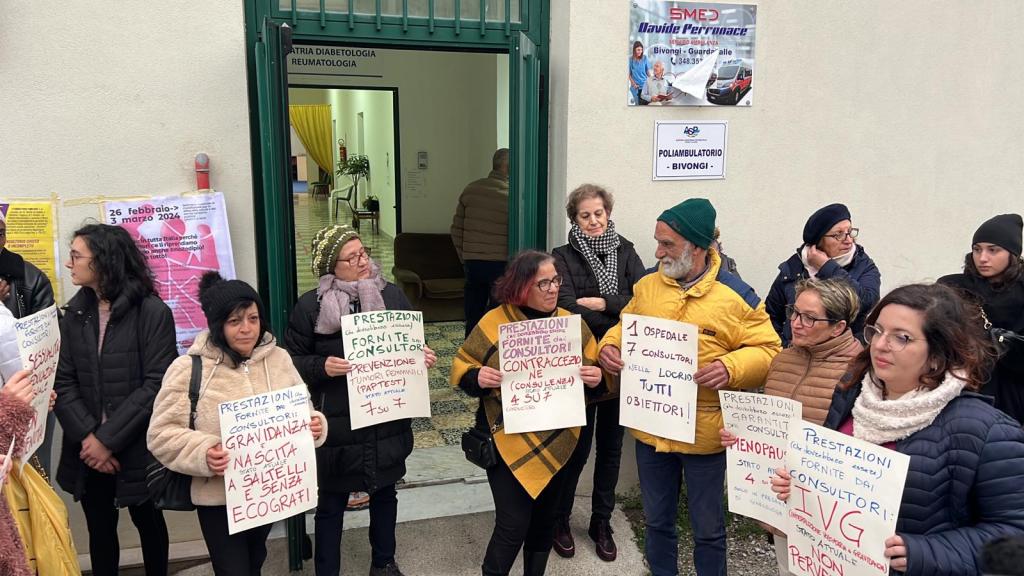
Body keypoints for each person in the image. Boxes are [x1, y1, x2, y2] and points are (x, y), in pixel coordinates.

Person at [770, 283, 1024, 576]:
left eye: (902, 338)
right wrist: (801, 484)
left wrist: (926, 552)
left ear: (937, 353)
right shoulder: (851, 395)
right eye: (877, 331)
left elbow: (1014, 536)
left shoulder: (986, 431)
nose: (880, 345)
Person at [598, 198, 781, 576]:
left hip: (705, 435)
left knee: (708, 530)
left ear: (697, 246)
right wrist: (609, 346)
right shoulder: (648, 285)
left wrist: (731, 367)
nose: (658, 252)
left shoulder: (737, 296)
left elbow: (769, 350)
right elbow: (625, 325)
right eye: (658, 242)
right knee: (657, 522)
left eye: (667, 244)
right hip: (652, 428)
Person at [148, 272, 326, 575]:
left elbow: (303, 408)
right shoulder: (188, 369)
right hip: (218, 499)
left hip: (267, 493)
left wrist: (314, 425)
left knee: (255, 562)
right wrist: (204, 452)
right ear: (218, 325)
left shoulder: (280, 359)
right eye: (235, 321)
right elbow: (161, 435)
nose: (246, 329)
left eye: (253, 319)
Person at [285, 224, 437, 576]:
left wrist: (422, 354)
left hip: (386, 416)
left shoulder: (392, 296)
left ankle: (384, 562)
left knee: (385, 494)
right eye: (351, 258)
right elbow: (290, 362)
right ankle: (327, 570)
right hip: (338, 423)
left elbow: (412, 343)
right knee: (331, 503)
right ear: (331, 266)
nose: (362, 261)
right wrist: (322, 366)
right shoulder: (311, 306)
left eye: (363, 252)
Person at [450, 250, 603, 576]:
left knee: (545, 521)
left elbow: (598, 377)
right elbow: (462, 366)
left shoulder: (571, 325)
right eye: (543, 283)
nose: (553, 288)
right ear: (521, 287)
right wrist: (476, 377)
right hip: (506, 438)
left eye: (556, 280)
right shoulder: (495, 322)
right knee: (513, 524)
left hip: (560, 439)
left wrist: (597, 378)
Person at [54, 223, 176, 576]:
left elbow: (158, 384)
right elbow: (64, 382)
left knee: (149, 524)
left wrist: (107, 440)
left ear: (103, 261)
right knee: (100, 530)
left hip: (138, 445)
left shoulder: (152, 312)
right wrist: (89, 439)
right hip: (88, 450)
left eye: (76, 256)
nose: (69, 263)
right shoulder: (76, 314)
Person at [720, 277, 862, 575]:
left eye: (809, 318)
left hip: (830, 516)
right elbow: (767, 426)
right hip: (781, 502)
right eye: (794, 312)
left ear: (838, 327)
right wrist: (742, 438)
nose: (796, 323)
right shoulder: (783, 359)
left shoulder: (860, 371)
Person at [549, 184, 645, 562]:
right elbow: (566, 307)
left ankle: (601, 522)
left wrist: (605, 302)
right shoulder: (561, 257)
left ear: (608, 214)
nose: (593, 221)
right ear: (574, 219)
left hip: (621, 366)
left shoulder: (627, 251)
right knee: (575, 449)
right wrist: (615, 324)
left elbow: (643, 301)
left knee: (611, 449)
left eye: (598, 213)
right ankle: (559, 519)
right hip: (581, 367)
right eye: (585, 215)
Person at [939, 213, 1024, 422]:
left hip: (1013, 393)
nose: (983, 258)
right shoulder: (952, 287)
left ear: (1012, 254)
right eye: (977, 249)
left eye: (993, 250)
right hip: (961, 387)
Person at [765, 203, 880, 347]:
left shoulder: (863, 265)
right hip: (795, 353)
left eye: (850, 232)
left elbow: (866, 302)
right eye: (838, 235)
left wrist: (826, 267)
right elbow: (770, 316)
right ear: (819, 241)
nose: (849, 240)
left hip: (841, 355)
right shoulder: (793, 268)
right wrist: (784, 347)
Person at [0, 210, 58, 477]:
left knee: (31, 476)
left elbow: (47, 339)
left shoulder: (29, 278)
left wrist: (43, 386)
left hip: (28, 391)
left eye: (0, 233)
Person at [451, 148, 510, 337]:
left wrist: (465, 256)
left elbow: (456, 229)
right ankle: (491, 350)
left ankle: (470, 349)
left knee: (473, 313)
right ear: (508, 168)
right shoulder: (511, 196)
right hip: (500, 263)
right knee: (497, 315)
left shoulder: (471, 189)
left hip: (473, 263)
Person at [628, 40, 651, 105]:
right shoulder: (630, 60)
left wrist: (651, 80)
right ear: (634, 50)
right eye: (638, 50)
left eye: (641, 50)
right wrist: (634, 84)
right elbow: (629, 74)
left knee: (647, 103)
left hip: (645, 85)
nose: (640, 51)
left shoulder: (645, 58)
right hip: (636, 87)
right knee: (638, 104)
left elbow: (647, 71)